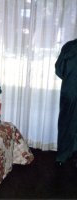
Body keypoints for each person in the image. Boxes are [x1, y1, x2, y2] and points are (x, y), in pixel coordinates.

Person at [55, 38, 77, 167]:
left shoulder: (69, 46)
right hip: (70, 91)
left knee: (65, 123)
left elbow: (59, 69)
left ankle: (62, 156)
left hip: (69, 91)